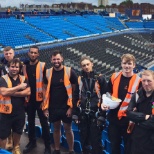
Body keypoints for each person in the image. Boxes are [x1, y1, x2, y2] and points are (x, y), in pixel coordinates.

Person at [101, 53, 142, 154]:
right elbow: (107, 93)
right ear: (121, 64)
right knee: (114, 146)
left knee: (129, 147)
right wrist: (103, 103)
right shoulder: (114, 76)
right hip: (114, 118)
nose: (127, 66)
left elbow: (142, 100)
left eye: (129, 63)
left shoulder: (139, 81)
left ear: (134, 65)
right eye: (124, 63)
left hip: (129, 120)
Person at [42, 50, 77, 154]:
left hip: (66, 107)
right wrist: (45, 107)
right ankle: (57, 149)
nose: (56, 61)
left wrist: (71, 107)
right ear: (51, 60)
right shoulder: (48, 72)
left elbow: (75, 90)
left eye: (58, 59)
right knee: (56, 128)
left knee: (68, 128)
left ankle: (71, 150)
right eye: (54, 59)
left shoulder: (70, 71)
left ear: (62, 59)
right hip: (53, 106)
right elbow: (44, 89)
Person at [73, 56, 107, 154]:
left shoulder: (100, 78)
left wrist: (102, 115)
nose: (86, 67)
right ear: (81, 67)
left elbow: (106, 96)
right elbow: (76, 96)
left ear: (92, 64)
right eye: (84, 65)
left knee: (96, 141)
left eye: (88, 64)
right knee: (84, 140)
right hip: (83, 113)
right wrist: (75, 113)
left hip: (96, 114)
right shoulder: (80, 79)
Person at [22, 46, 51, 154]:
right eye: (31, 52)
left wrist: (46, 101)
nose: (33, 54)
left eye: (35, 53)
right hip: (29, 99)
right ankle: (32, 142)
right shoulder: (24, 67)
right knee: (30, 121)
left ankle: (47, 146)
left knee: (44, 123)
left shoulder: (43, 66)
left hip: (41, 100)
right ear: (28, 53)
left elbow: (47, 84)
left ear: (38, 54)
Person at [0, 58, 30, 154]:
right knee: (3, 134)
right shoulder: (3, 78)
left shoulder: (23, 78)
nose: (14, 69)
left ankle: (16, 147)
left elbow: (28, 92)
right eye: (12, 66)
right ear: (8, 67)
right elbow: (3, 92)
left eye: (17, 67)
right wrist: (19, 88)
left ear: (19, 68)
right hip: (5, 112)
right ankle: (3, 151)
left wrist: (11, 92)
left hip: (20, 111)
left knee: (18, 131)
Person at [126, 70, 154, 154]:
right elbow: (128, 113)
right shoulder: (138, 94)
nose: (146, 83)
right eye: (144, 81)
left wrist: (137, 120)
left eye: (149, 81)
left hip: (151, 141)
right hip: (137, 139)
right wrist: (145, 117)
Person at [0, 46, 15, 150]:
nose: (8, 55)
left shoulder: (18, 63)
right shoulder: (1, 64)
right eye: (6, 54)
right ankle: (8, 139)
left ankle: (13, 141)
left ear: (13, 53)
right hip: (4, 95)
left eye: (10, 53)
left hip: (16, 95)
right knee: (5, 119)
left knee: (15, 118)